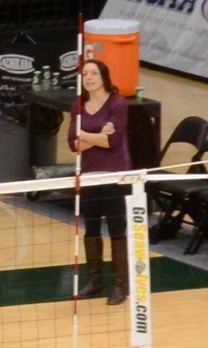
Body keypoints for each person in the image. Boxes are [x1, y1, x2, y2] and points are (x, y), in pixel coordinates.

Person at [68, 59, 132, 305]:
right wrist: (96, 135)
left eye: (94, 73)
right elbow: (74, 145)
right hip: (90, 175)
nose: (89, 77)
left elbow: (112, 143)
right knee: (91, 227)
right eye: (85, 74)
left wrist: (85, 136)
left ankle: (120, 285)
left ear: (104, 77)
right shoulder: (78, 106)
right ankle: (94, 282)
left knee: (117, 228)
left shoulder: (118, 103)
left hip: (116, 174)